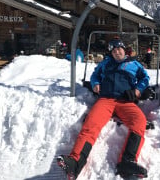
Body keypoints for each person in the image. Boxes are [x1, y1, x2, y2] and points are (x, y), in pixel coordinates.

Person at [57, 38, 150, 179]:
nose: (116, 52)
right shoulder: (105, 63)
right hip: (105, 100)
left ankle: (127, 161)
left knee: (139, 122)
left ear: (124, 50)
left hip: (126, 101)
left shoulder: (134, 64)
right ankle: (75, 162)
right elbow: (95, 75)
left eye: (119, 49)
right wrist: (95, 83)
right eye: (113, 50)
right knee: (91, 124)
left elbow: (145, 78)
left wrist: (138, 90)